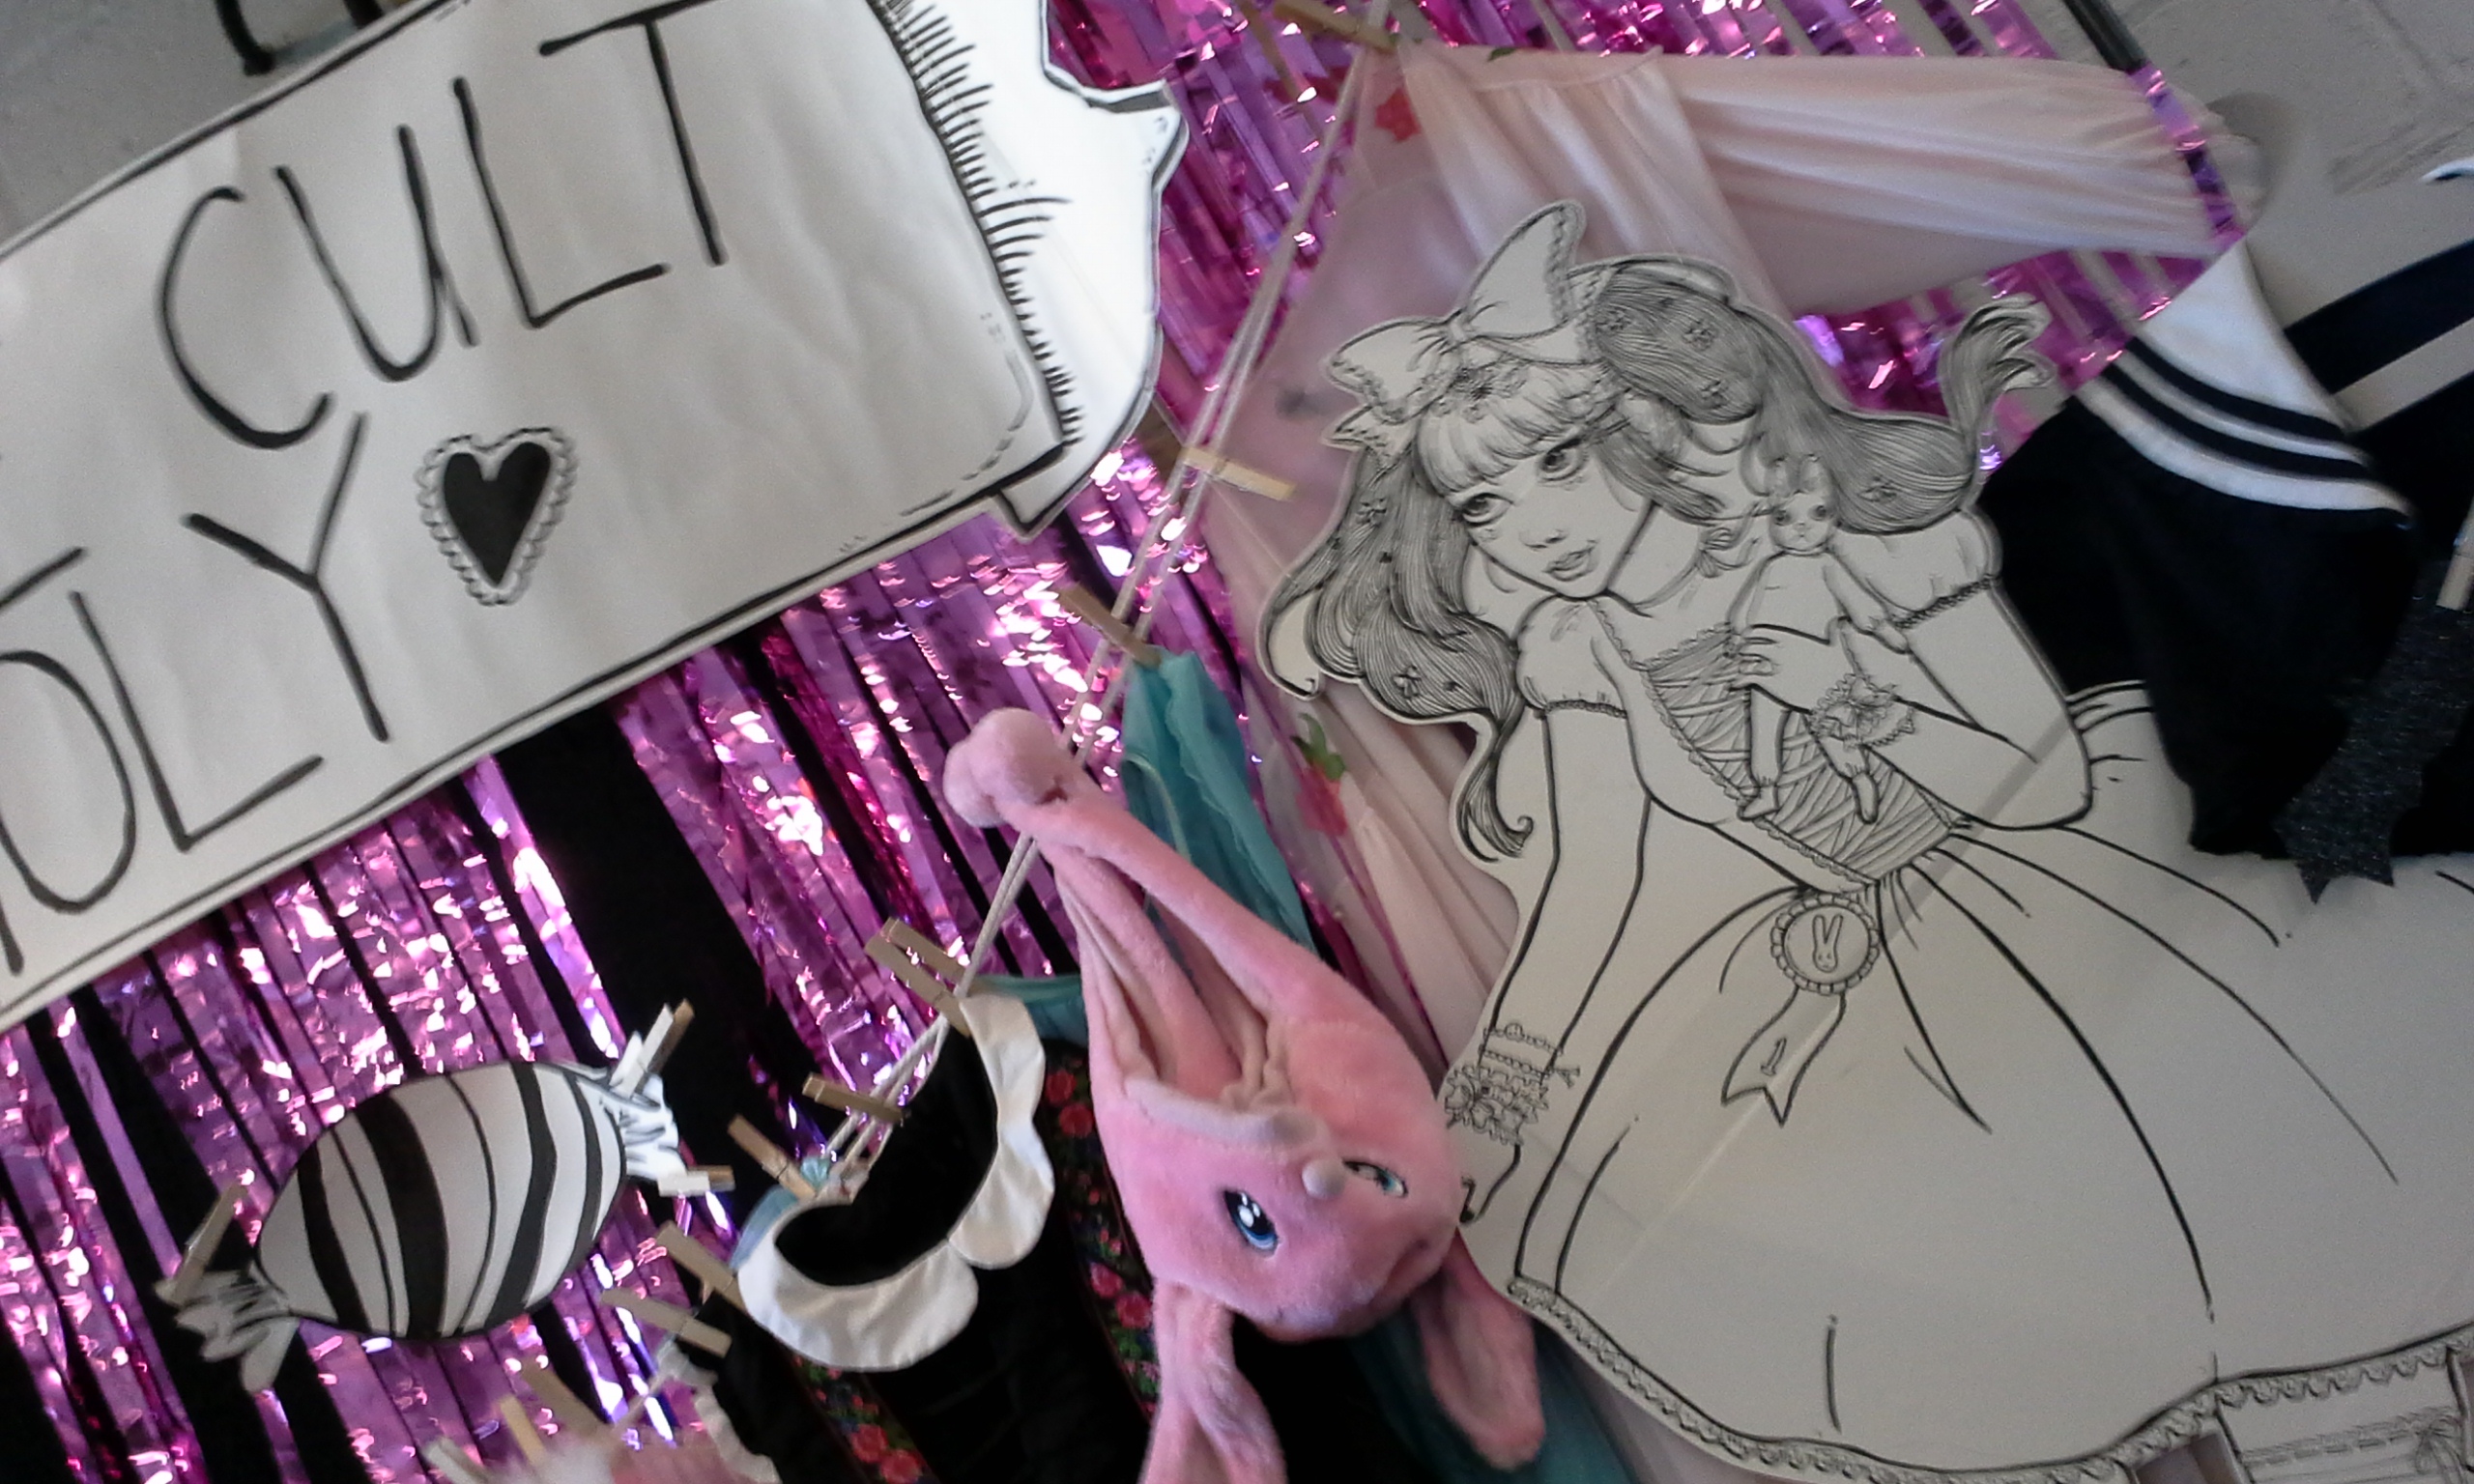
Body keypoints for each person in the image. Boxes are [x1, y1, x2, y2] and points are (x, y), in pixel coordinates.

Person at [1264, 201, 2474, 1478]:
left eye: (1556, 463)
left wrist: (1847, 703)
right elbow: (1607, 887)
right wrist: (1514, 1079)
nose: (1529, 527)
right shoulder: (1584, 652)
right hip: (1848, 983)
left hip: (2062, 900)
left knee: (2271, 1212)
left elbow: (2041, 780)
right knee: (2015, 1299)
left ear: (1649, 426)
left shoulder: (1869, 553)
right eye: (1484, 504)